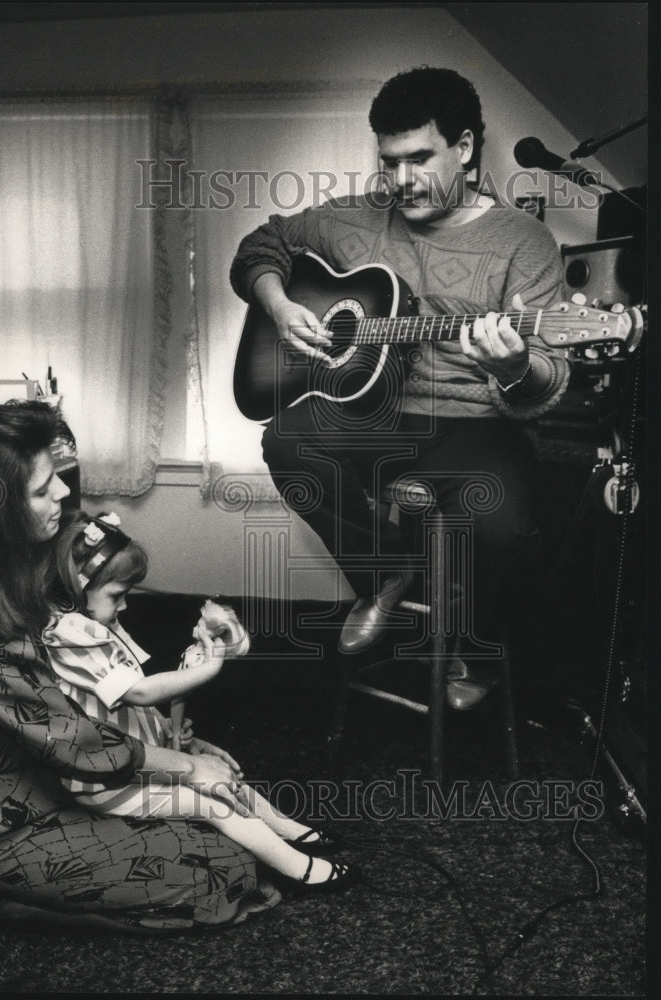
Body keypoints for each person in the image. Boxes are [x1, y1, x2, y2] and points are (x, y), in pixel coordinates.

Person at [230, 66, 570, 709]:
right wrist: (277, 305)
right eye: (390, 162)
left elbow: (549, 377)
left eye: (420, 158)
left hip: (477, 425)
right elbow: (261, 245)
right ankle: (382, 573)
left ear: (465, 148)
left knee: (501, 526)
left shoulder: (523, 241)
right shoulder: (356, 218)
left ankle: (472, 641)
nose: (402, 180)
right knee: (287, 439)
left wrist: (513, 367)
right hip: (380, 412)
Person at [0, 400, 286, 931]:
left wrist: (208, 627)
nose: (64, 494)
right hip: (6, 823)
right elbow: (72, 740)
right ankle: (14, 908)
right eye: (42, 490)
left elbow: (106, 623)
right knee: (226, 871)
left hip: (68, 782)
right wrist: (183, 764)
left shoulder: (15, 560)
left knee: (228, 826)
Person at [41, 510, 359, 894]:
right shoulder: (69, 635)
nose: (125, 607)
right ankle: (301, 870)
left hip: (137, 749)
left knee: (226, 777)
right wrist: (210, 667)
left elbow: (135, 696)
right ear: (76, 588)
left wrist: (166, 727)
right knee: (213, 802)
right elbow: (136, 692)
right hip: (106, 777)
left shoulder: (97, 622)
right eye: (117, 596)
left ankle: (291, 831)